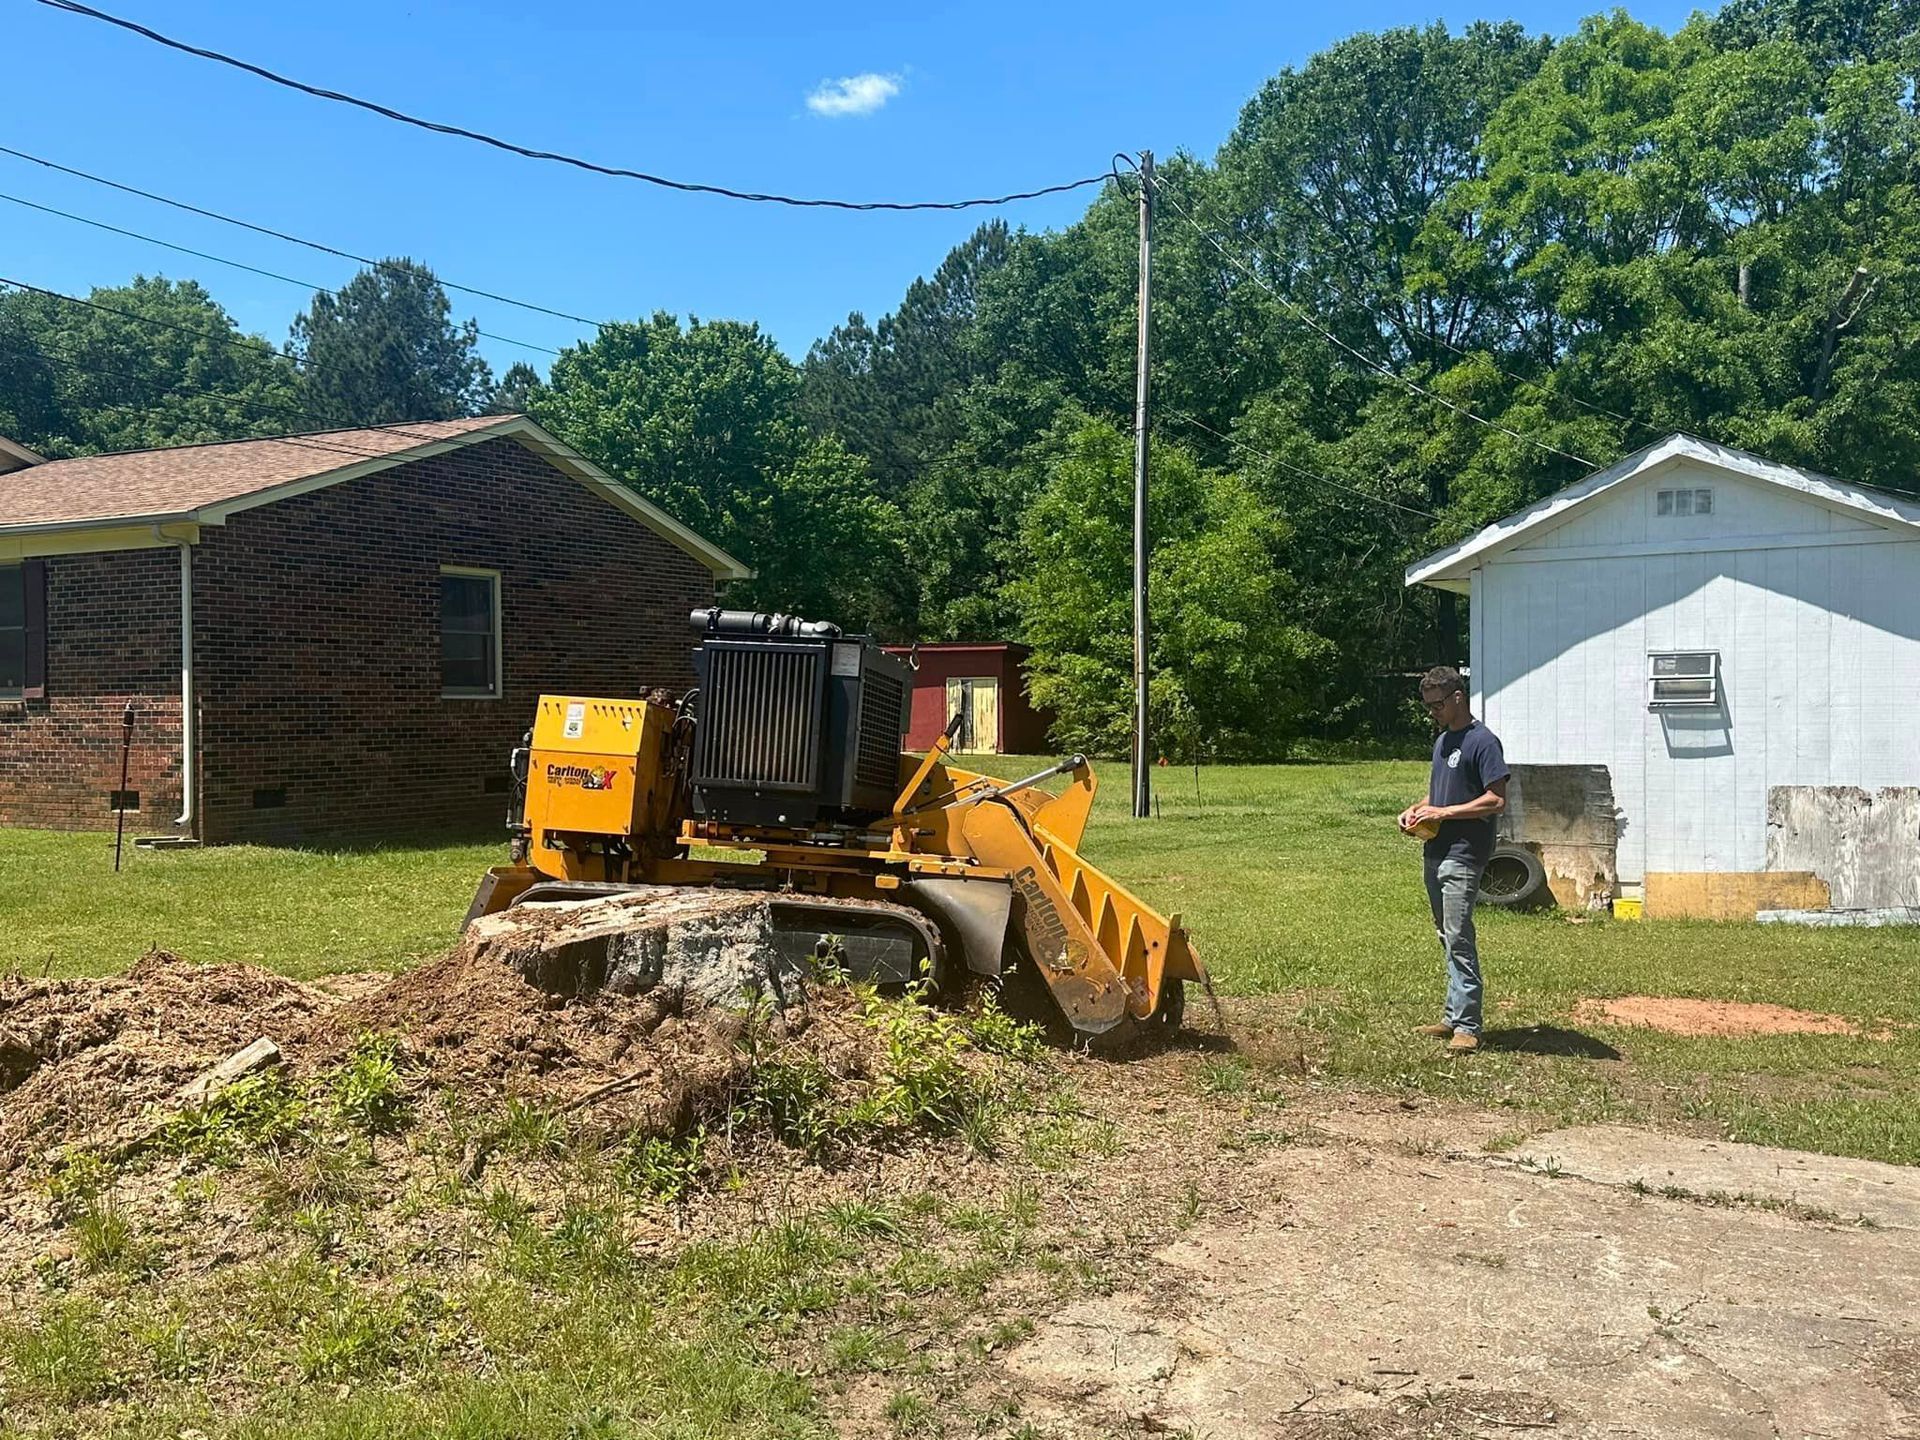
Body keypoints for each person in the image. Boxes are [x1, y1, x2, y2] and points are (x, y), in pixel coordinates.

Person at [1398, 666, 1509, 1053]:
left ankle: (1468, 1026)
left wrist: (1444, 815)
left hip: (1465, 853)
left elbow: (1496, 799)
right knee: (1446, 934)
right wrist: (1416, 810)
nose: (1433, 713)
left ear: (1458, 697)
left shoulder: (1483, 742)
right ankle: (1452, 1016)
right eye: (1428, 706)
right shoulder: (1443, 741)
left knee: (1459, 935)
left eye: (1438, 705)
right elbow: (1439, 797)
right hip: (1436, 850)